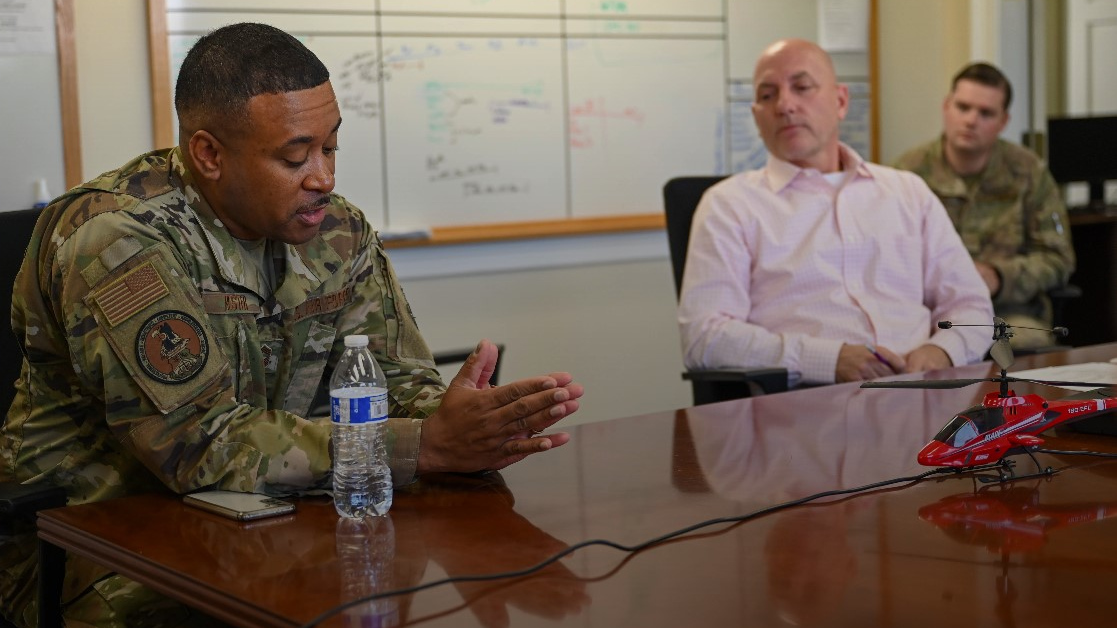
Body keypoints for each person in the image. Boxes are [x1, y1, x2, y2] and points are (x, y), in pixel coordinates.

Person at [0, 22, 582, 627]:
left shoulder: (337, 231)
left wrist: (459, 424)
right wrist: (422, 446)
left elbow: (399, 384)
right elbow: (199, 443)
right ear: (209, 155)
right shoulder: (119, 240)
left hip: (273, 529)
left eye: (331, 148)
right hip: (105, 552)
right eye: (295, 156)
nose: (324, 178)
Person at [678, 39, 994, 386]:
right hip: (809, 409)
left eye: (802, 87)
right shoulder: (729, 205)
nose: (784, 105)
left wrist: (942, 352)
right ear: (756, 117)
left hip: (929, 398)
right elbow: (704, 337)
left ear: (841, 101)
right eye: (768, 95)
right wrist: (827, 360)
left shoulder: (907, 192)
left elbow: (972, 305)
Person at [894, 62, 1075, 349]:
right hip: (931, 313)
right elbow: (887, 255)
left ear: (1003, 121)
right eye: (963, 107)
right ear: (946, 107)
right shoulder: (909, 173)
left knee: (1018, 349)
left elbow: (1057, 259)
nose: (970, 120)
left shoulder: (1028, 173)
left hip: (1009, 314)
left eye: (985, 113)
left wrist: (999, 277)